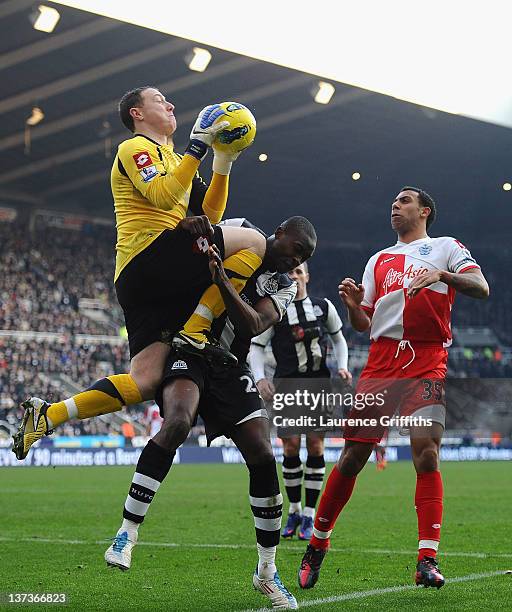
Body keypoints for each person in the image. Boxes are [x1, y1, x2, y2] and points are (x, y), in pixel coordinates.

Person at [12, 86, 268, 460]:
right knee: (256, 243)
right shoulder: (135, 148)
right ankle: (198, 327)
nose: (171, 104)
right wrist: (197, 147)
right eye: (160, 100)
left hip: (143, 279)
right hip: (149, 255)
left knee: (146, 380)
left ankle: (49, 414)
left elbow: (210, 216)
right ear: (136, 113)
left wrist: (222, 162)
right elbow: (163, 197)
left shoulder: (175, 158)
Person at [104, 216, 316, 610]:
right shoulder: (240, 231)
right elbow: (192, 238)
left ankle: (267, 573)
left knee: (263, 453)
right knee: (178, 423)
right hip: (187, 349)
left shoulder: (284, 287)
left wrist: (222, 281)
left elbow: (252, 322)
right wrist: (188, 227)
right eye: (297, 249)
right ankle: (126, 533)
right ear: (280, 231)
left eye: (303, 258)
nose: (296, 261)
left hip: (230, 363)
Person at [298, 186, 489, 590]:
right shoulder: (378, 260)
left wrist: (441, 274)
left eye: (404, 201)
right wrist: (353, 305)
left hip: (428, 361)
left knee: (428, 454)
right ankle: (317, 543)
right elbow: (363, 324)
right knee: (353, 457)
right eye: (393, 202)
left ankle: (427, 559)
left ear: (425, 210)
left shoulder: (446, 247)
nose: (395, 206)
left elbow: (481, 287)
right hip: (382, 364)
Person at [249, 262, 351, 541]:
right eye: (289, 272)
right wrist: (260, 378)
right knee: (291, 446)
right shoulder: (275, 310)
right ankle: (293, 510)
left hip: (319, 382)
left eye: (298, 271)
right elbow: (256, 347)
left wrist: (342, 366)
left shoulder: (323, 307)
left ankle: (309, 514)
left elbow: (339, 340)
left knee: (315, 444)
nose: (294, 276)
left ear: (307, 275)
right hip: (286, 383)